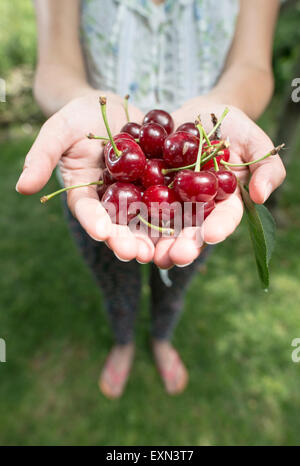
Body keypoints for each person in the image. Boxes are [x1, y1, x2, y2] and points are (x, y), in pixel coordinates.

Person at [16, 0, 286, 398]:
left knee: (177, 276)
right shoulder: (119, 158)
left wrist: (223, 110)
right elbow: (54, 67)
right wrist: (78, 99)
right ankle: (124, 342)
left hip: (194, 206)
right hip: (96, 188)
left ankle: (161, 338)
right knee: (115, 280)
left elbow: (253, 67)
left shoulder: (200, 177)